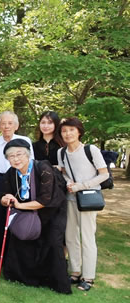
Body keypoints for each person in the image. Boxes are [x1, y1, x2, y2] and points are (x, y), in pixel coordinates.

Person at [0, 139, 70, 293]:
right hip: (28, 212)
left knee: (52, 242)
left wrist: (19, 205)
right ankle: (23, 276)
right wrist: (6, 200)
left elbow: (45, 200)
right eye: (11, 156)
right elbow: (4, 196)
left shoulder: (43, 167)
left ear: (28, 154)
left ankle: (55, 282)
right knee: (21, 239)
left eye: (19, 154)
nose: (16, 159)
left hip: (51, 212)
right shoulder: (11, 173)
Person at [57, 117, 109, 292]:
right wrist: (68, 182)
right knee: (70, 236)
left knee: (87, 238)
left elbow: (104, 175)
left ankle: (88, 277)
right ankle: (76, 271)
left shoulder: (90, 149)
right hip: (70, 199)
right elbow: (64, 174)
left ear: (79, 131)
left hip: (87, 199)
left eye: (71, 130)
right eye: (64, 131)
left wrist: (81, 185)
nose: (68, 133)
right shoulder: (61, 152)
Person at [0, 111, 33, 265]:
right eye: (3, 123)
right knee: (0, 220)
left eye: (10, 123)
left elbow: (31, 163)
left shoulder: (24, 140)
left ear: (16, 125)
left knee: (19, 217)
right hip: (0, 181)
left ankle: (18, 255)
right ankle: (1, 255)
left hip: (20, 180)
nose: (6, 126)